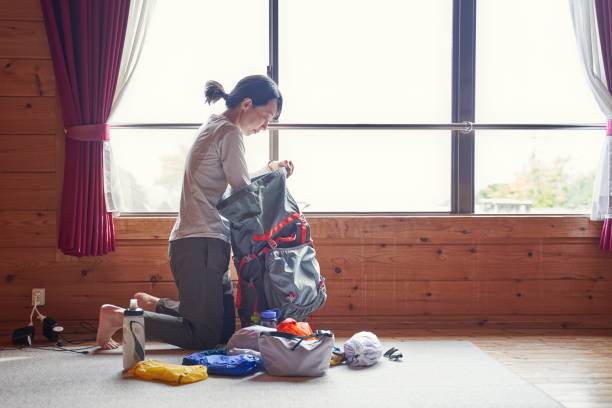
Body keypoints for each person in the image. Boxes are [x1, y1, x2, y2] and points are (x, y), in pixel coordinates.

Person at [96, 75, 293, 350]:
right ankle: (120, 318)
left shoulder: (214, 125)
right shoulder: (230, 133)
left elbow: (231, 188)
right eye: (266, 116)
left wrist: (269, 170)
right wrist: (276, 179)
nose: (265, 126)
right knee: (205, 336)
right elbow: (243, 195)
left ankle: (155, 306)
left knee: (224, 332)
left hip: (202, 240)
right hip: (201, 243)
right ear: (247, 104)